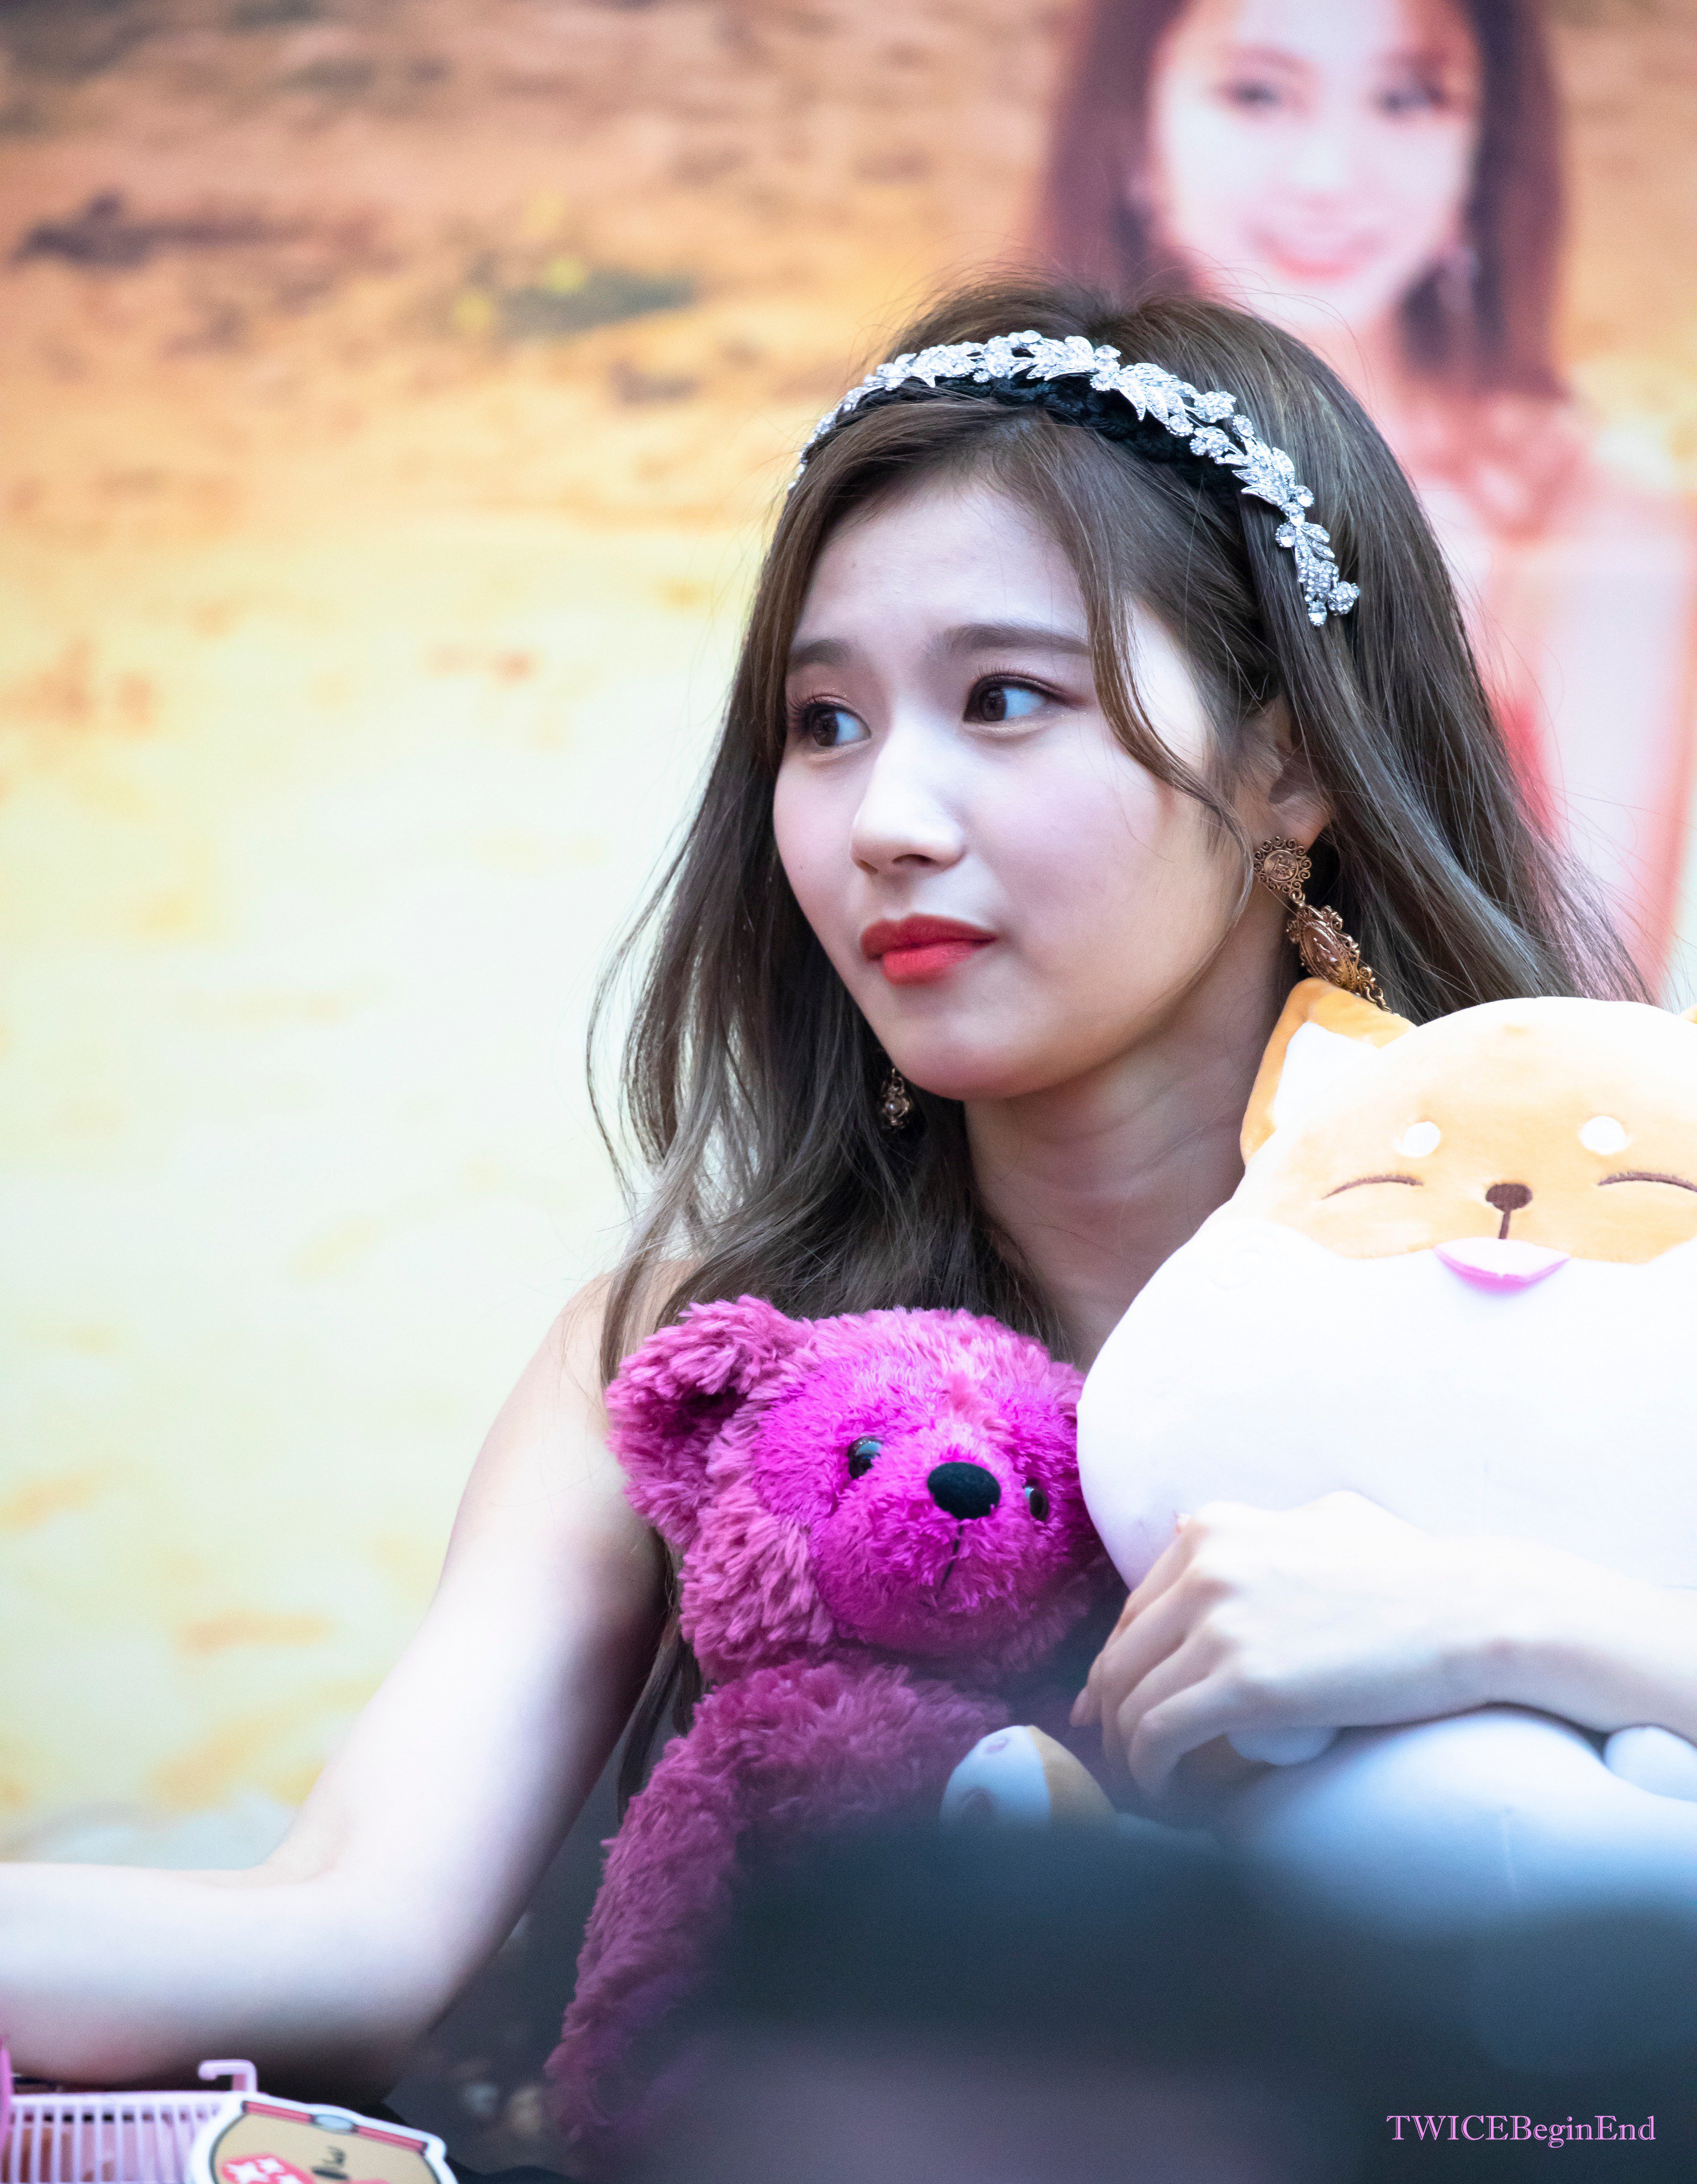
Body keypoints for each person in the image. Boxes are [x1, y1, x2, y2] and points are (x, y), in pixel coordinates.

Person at [3, 280, 1693, 2101]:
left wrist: (1505, 1625)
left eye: (1003, 699)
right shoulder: (688, 1358)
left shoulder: (1622, 1276)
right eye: (824, 723)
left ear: (1286, 767)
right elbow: (348, 1932)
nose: (887, 816)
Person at [1035, 0, 1697, 982]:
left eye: (1407, 98)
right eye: (1258, 92)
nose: (1329, 173)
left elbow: (1592, 1010)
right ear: (1133, 134)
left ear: (1486, 145)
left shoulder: (1595, 522)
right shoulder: (1006, 479)